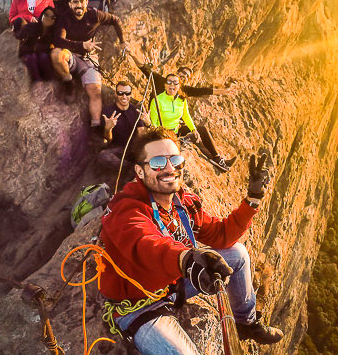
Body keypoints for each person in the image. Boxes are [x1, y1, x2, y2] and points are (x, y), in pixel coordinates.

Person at [99, 127, 283, 354]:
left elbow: (220, 234)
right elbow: (146, 244)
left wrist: (252, 200)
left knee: (237, 254)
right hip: (139, 304)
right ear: (139, 170)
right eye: (157, 163)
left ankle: (246, 323)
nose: (169, 168)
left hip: (172, 283)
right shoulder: (126, 210)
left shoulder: (181, 202)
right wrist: (186, 258)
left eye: (174, 160)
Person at [52, 0, 128, 142]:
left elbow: (115, 20)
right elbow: (59, 40)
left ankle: (95, 128)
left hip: (89, 57)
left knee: (95, 89)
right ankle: (68, 82)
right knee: (56, 55)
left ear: (86, 2)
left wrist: (122, 41)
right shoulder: (65, 17)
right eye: (75, 2)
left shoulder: (94, 15)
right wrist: (81, 45)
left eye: (81, 2)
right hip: (72, 55)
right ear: (70, 3)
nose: (78, 5)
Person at [149, 73, 235, 171]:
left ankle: (218, 159)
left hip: (177, 130)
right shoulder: (157, 100)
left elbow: (186, 115)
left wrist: (193, 129)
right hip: (165, 134)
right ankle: (216, 160)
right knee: (193, 139)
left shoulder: (181, 99)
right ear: (165, 85)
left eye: (175, 82)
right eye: (169, 82)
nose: (172, 85)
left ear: (179, 86)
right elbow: (154, 124)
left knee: (201, 130)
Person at [129, 50, 236, 98]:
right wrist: (132, 54)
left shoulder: (184, 90)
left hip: (170, 124)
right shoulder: (160, 80)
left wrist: (224, 91)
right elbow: (144, 68)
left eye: (187, 76)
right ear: (177, 72)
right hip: (154, 117)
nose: (184, 76)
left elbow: (204, 91)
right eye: (183, 73)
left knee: (201, 130)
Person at [98, 80, 151, 174]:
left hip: (134, 149)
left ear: (131, 94)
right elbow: (108, 139)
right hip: (117, 149)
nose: (124, 97)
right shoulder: (108, 111)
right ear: (116, 93)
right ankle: (132, 170)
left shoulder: (136, 111)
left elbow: (142, 136)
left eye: (127, 93)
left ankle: (134, 169)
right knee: (103, 156)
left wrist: (147, 124)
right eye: (120, 93)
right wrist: (108, 128)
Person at [13, 6, 56, 84]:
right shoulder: (31, 27)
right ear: (42, 15)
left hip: (42, 53)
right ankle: (37, 82)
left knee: (44, 58)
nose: (48, 18)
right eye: (45, 15)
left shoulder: (53, 32)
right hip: (29, 52)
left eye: (52, 17)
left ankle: (49, 81)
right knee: (32, 58)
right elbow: (20, 38)